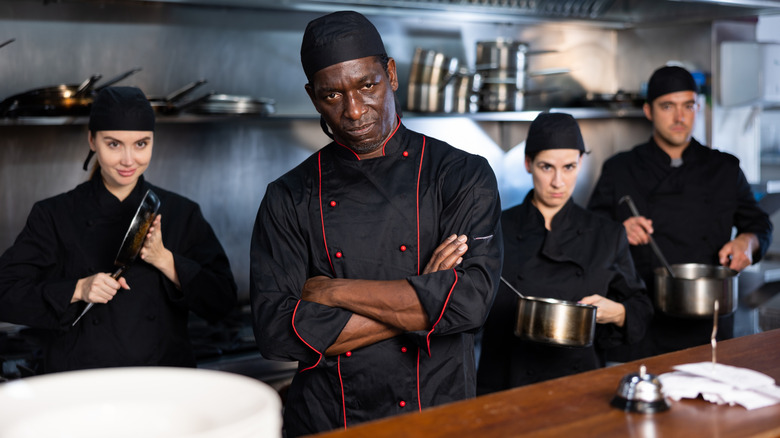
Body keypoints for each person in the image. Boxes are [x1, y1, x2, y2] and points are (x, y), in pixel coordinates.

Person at [249, 11, 503, 437]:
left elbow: (469, 303)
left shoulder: (461, 175)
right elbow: (276, 330)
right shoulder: (289, 196)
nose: (353, 109)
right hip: (329, 421)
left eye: (367, 85)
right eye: (332, 95)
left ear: (391, 74)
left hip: (437, 418)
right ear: (313, 97)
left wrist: (331, 291)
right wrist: (425, 298)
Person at [0, 86, 237, 373]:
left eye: (141, 144)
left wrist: (166, 261)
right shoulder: (54, 215)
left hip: (163, 386)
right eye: (113, 144)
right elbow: (5, 295)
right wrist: (77, 289)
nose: (128, 160)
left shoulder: (181, 213)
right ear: (92, 140)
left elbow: (223, 302)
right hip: (83, 387)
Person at [588, 65, 773, 360]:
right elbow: (589, 233)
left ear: (697, 108)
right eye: (667, 106)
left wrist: (746, 243)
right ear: (648, 111)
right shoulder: (620, 169)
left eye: (688, 106)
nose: (680, 117)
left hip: (708, 325)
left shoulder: (724, 169)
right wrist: (619, 232)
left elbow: (758, 224)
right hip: (641, 325)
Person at [476, 113, 652, 393]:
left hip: (580, 384)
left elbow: (641, 310)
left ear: (581, 163)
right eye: (547, 167)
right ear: (528, 164)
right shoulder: (493, 230)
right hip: (506, 383)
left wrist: (618, 312)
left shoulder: (607, 234)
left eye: (569, 167)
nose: (558, 182)